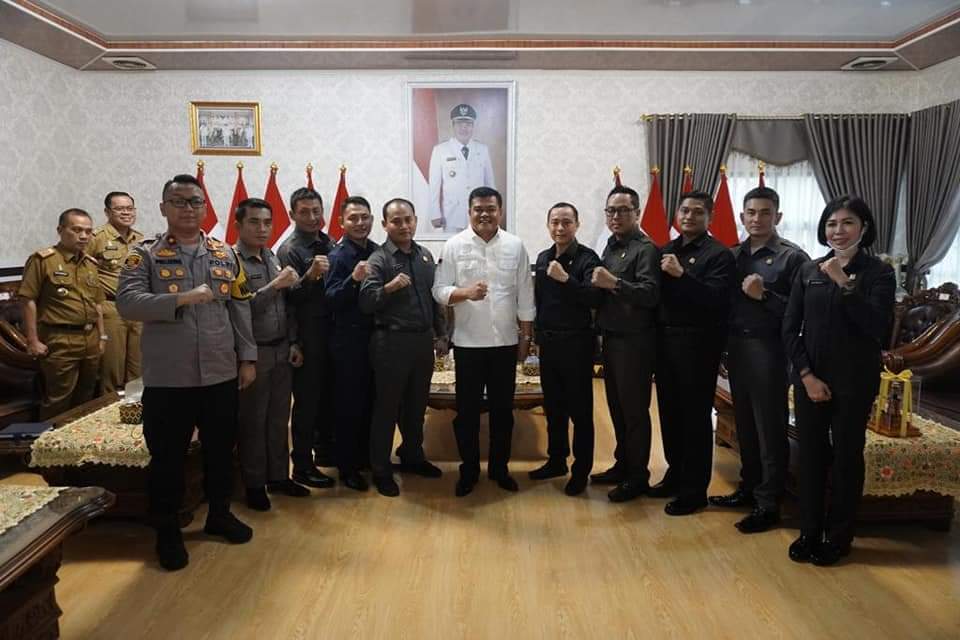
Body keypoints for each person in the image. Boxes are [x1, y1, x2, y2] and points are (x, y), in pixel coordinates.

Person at [117, 174, 257, 571]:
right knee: (167, 459)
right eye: (178, 201)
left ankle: (219, 515)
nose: (188, 208)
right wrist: (181, 299)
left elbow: (240, 307)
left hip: (219, 373)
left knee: (220, 451)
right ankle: (167, 530)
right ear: (163, 208)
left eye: (195, 201)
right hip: (169, 378)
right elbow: (127, 303)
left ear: (205, 207)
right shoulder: (143, 255)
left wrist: (247, 358)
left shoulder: (224, 254)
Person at [783, 195, 895, 566]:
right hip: (810, 379)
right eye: (832, 223)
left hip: (855, 381)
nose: (838, 230)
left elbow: (877, 326)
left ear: (864, 228)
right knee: (811, 457)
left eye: (847, 223)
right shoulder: (808, 270)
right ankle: (809, 531)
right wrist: (806, 376)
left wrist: (844, 282)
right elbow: (790, 329)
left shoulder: (879, 273)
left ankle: (839, 536)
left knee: (847, 457)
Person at [708, 187, 809, 533]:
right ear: (742, 216)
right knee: (745, 425)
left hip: (769, 349)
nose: (757, 219)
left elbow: (800, 314)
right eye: (751, 212)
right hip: (736, 347)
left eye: (765, 213)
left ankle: (769, 504)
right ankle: (749, 488)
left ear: (777, 216)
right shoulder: (732, 255)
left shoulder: (792, 258)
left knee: (769, 428)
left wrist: (763, 295)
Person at [432, 186, 535, 497]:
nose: (485, 214)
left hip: (505, 343)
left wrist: (525, 336)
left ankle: (500, 469)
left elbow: (525, 294)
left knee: (503, 412)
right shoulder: (454, 245)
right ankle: (469, 470)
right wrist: (465, 293)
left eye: (491, 208)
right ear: (469, 212)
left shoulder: (515, 245)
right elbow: (439, 290)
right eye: (478, 209)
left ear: (500, 211)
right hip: (467, 345)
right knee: (467, 413)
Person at [653, 191, 736, 516]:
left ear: (709, 218)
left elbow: (716, 300)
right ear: (677, 214)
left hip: (698, 346)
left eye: (697, 212)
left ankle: (694, 490)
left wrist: (682, 276)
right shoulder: (666, 250)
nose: (689, 216)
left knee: (695, 418)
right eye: (685, 210)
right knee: (669, 414)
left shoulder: (719, 255)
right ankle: (675, 474)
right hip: (665, 342)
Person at [359, 198, 447, 497]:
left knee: (416, 407)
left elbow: (435, 299)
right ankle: (381, 470)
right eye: (396, 221)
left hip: (422, 342)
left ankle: (412, 457)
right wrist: (389, 287)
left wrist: (441, 335)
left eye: (408, 219)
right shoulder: (378, 259)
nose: (404, 225)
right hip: (390, 343)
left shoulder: (425, 256)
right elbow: (366, 302)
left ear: (415, 220)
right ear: (385, 225)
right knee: (387, 408)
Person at [232, 198, 310, 511]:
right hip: (254, 354)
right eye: (254, 222)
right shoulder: (232, 261)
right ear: (239, 225)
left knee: (279, 420)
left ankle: (278, 476)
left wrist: (294, 342)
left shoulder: (272, 257)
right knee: (253, 422)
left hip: (281, 349)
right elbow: (240, 310)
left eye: (267, 222)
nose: (262, 229)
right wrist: (275, 285)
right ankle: (254, 484)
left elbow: (288, 307)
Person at [590, 185, 660, 503]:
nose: (615, 216)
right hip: (612, 337)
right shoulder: (611, 246)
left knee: (634, 412)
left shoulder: (646, 249)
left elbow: (650, 294)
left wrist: (614, 283)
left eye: (622, 210)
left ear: (637, 213)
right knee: (616, 408)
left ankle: (638, 476)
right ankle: (623, 464)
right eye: (611, 211)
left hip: (635, 342)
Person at [529, 202, 602, 496]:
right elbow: (540, 301)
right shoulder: (543, 257)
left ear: (577, 225)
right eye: (555, 222)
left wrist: (566, 280)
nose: (560, 228)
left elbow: (595, 299)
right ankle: (556, 460)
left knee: (580, 412)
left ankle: (581, 470)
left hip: (577, 345)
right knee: (554, 409)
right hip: (549, 344)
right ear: (548, 225)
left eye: (566, 222)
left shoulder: (588, 258)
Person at [18, 209, 106, 419]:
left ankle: (78, 440)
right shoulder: (43, 260)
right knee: (58, 399)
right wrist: (32, 340)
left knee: (86, 398)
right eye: (77, 230)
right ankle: (48, 440)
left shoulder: (90, 264)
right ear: (60, 230)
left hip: (90, 339)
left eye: (88, 231)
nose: (84, 236)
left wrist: (102, 336)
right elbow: (28, 299)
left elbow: (97, 303)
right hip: (60, 339)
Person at [276, 187, 336, 489]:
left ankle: (324, 454)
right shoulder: (289, 250)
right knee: (306, 404)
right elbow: (287, 300)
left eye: (316, 211)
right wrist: (309, 276)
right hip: (306, 335)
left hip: (331, 332)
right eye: (304, 212)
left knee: (327, 400)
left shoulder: (328, 242)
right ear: (292, 214)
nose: (312, 217)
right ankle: (301, 465)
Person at [325, 196, 379, 491]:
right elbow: (331, 299)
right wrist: (354, 279)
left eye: (365, 217)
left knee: (371, 402)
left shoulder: (377, 251)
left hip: (375, 339)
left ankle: (366, 458)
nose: (360, 223)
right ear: (341, 222)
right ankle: (347, 468)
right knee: (348, 406)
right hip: (348, 342)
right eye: (353, 218)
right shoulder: (338, 255)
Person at [88, 191, 145, 393]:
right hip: (111, 308)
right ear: (107, 212)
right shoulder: (96, 238)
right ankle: (109, 410)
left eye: (129, 208)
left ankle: (136, 409)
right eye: (120, 209)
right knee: (112, 369)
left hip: (137, 308)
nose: (126, 213)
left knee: (138, 368)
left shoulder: (140, 240)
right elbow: (82, 271)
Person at [428, 103, 496, 234]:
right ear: (453, 125)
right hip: (452, 215)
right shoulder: (440, 150)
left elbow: (490, 184)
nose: (464, 128)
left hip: (479, 214)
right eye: (459, 123)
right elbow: (434, 186)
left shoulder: (482, 150)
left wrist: (494, 210)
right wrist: (434, 213)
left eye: (468, 124)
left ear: (473, 126)